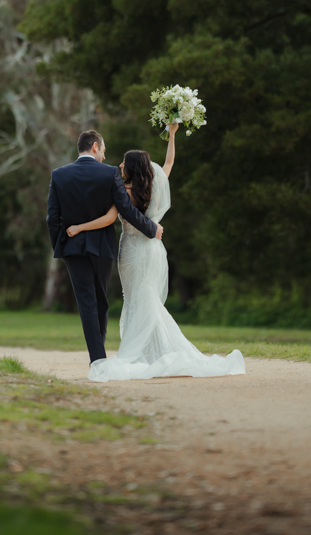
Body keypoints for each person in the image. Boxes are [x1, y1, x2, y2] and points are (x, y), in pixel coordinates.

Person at [66, 124, 246, 382]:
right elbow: (170, 161)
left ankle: (138, 353)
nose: (119, 166)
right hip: (152, 250)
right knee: (146, 298)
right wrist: (172, 135)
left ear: (131, 168)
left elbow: (107, 219)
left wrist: (79, 227)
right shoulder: (153, 185)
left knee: (137, 298)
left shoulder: (123, 192)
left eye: (124, 163)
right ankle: (156, 351)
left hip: (132, 250)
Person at [46, 130, 164, 365]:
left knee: (86, 303)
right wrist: (152, 229)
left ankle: (97, 360)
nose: (104, 156)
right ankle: (99, 360)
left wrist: (60, 245)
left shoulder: (58, 175)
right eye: (103, 151)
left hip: (71, 247)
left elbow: (52, 218)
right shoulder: (109, 173)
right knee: (100, 301)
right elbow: (127, 210)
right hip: (102, 247)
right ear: (95, 147)